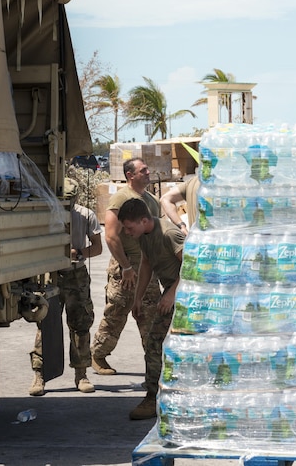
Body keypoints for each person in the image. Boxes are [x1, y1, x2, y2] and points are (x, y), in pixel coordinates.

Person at [29, 180, 104, 396]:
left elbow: (98, 247)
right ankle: (39, 374)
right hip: (50, 274)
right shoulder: (45, 214)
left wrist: (80, 253)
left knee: (81, 324)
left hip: (76, 274)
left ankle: (81, 373)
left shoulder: (86, 215)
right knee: (45, 323)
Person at [91, 158, 161, 376]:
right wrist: (126, 267)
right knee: (117, 313)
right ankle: (98, 355)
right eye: (143, 170)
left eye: (147, 169)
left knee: (150, 316)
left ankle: (154, 365)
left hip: (147, 268)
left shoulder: (151, 200)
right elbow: (111, 236)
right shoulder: (121, 199)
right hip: (127, 269)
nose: (148, 172)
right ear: (130, 175)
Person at [118, 197, 185, 421]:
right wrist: (137, 297)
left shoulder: (169, 234)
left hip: (186, 297)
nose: (127, 233)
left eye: (129, 228)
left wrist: (172, 294)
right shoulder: (144, 235)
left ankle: (152, 397)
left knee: (156, 342)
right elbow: (146, 264)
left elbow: (193, 267)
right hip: (173, 293)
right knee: (161, 344)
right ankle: (164, 395)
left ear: (144, 220)